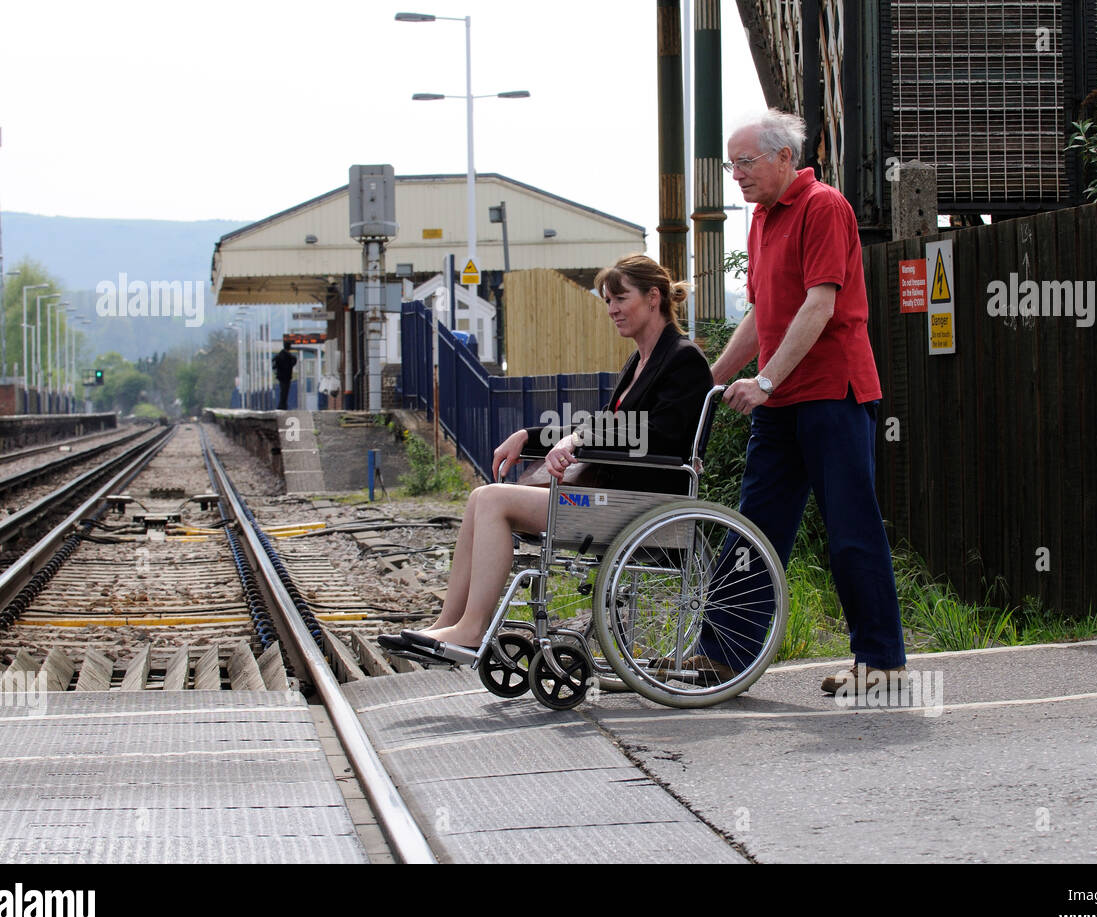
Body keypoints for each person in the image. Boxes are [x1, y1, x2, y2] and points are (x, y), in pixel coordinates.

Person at [379, 255, 712, 663]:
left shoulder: (683, 359)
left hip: (640, 504)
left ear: (654, 297)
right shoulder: (640, 361)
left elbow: (657, 436)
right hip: (614, 497)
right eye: (608, 301)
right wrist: (530, 436)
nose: (612, 310)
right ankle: (447, 625)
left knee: (494, 500)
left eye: (620, 299)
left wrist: (577, 439)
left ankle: (470, 630)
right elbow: (614, 428)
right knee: (480, 498)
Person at [698, 108, 907, 695]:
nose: (735, 174)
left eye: (746, 162)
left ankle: (882, 664)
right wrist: (709, 381)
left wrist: (763, 383)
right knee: (754, 529)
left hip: (832, 394)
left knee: (850, 528)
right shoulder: (762, 218)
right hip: (782, 401)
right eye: (730, 164)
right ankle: (723, 655)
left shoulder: (824, 207)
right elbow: (762, 316)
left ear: (784, 157)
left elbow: (819, 304)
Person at [272, 341, 296, 411]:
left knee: (283, 391)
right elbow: (293, 362)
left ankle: (282, 405)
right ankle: (282, 405)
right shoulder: (287, 356)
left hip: (282, 376)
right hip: (285, 376)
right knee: (284, 391)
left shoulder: (280, 355)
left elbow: (274, 364)